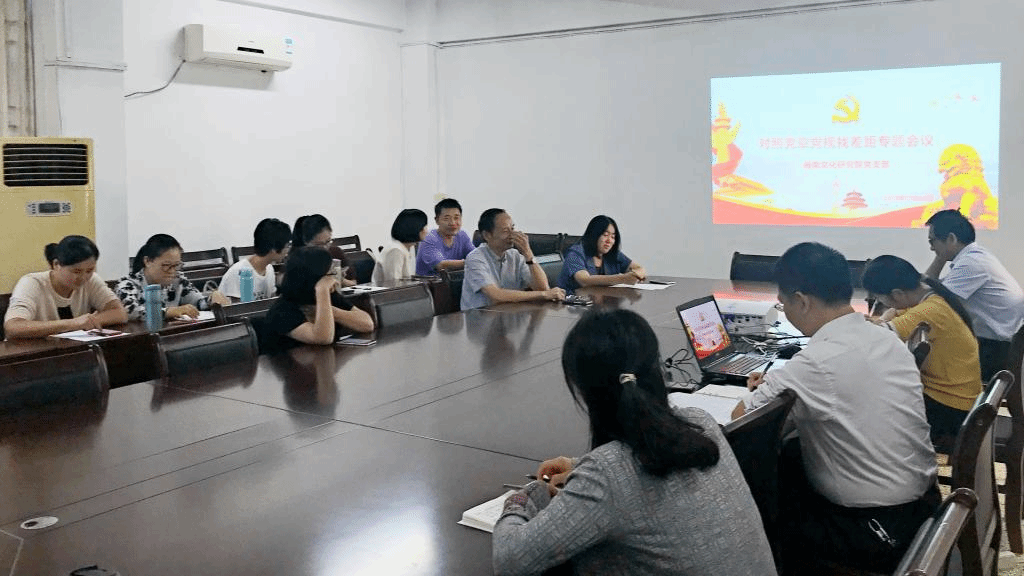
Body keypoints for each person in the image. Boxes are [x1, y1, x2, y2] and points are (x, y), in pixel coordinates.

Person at [492, 309, 776, 576]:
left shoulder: (606, 476)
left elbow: (510, 561)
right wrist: (579, 467)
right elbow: (652, 455)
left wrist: (528, 495)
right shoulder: (702, 424)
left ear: (586, 392)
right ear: (656, 370)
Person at [731, 242, 938, 575]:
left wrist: (767, 387)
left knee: (756, 499)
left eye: (783, 303)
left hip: (875, 529)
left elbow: (744, 421)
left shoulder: (817, 362)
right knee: (791, 454)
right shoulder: (885, 338)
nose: (785, 310)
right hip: (923, 503)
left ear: (802, 301)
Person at [862, 255, 982, 448]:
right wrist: (881, 320)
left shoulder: (931, 310)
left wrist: (865, 324)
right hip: (956, 400)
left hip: (950, 409)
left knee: (870, 409)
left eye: (879, 298)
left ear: (897, 294)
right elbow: (894, 314)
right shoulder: (930, 297)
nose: (879, 303)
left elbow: (878, 336)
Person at [924, 209, 1024, 380]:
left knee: (929, 364)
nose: (931, 247)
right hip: (995, 345)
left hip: (995, 350)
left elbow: (933, 302)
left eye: (932, 241)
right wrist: (940, 257)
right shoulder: (973, 258)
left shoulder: (972, 263)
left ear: (951, 239)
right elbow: (930, 289)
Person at [4, 235, 128, 339]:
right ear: (56, 264)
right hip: (31, 354)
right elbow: (13, 327)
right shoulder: (31, 283)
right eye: (76, 271)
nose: (83, 277)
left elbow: (119, 313)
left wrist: (88, 321)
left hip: (73, 351)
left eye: (89, 270)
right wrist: (73, 324)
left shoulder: (92, 280)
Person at [262, 246, 374, 352]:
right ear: (315, 277)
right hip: (291, 364)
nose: (333, 279)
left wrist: (332, 311)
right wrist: (322, 290)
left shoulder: (330, 295)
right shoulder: (282, 310)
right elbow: (323, 338)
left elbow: (367, 324)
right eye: (330, 273)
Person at [461, 208, 565, 310]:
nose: (512, 235)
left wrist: (529, 254)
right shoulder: (475, 258)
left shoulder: (515, 256)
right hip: (480, 318)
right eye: (506, 231)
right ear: (487, 235)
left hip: (508, 315)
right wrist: (544, 295)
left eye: (513, 228)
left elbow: (542, 288)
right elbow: (496, 295)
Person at [115, 234, 230, 321]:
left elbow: (197, 302)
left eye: (176, 265)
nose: (172, 271)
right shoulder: (127, 285)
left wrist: (211, 300)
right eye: (166, 266)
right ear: (148, 261)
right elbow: (130, 311)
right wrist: (168, 312)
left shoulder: (178, 280)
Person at [557, 215, 647, 293]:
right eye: (605, 235)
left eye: (613, 237)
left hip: (604, 302)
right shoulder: (575, 253)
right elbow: (584, 280)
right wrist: (623, 278)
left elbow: (638, 268)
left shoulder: (612, 253)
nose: (609, 241)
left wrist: (637, 274)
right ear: (594, 235)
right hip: (574, 304)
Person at [219, 218, 291, 301]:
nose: (287, 251)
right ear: (274, 249)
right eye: (287, 246)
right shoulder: (241, 272)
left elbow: (271, 302)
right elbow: (241, 308)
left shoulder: (269, 269)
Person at [291, 214, 356, 287]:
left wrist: (339, 278)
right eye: (318, 245)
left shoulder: (335, 253)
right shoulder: (298, 261)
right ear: (306, 242)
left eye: (328, 241)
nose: (324, 248)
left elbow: (353, 282)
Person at [415, 198, 475, 276]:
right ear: (437, 220)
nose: (453, 223)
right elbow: (441, 265)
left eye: (456, 218)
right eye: (446, 219)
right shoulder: (429, 238)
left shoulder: (463, 235)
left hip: (455, 280)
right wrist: (473, 262)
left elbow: (475, 255)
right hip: (430, 282)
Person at [373, 208, 428, 283]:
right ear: (415, 228)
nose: (426, 231)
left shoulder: (408, 247)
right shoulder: (396, 250)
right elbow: (394, 283)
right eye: (425, 226)